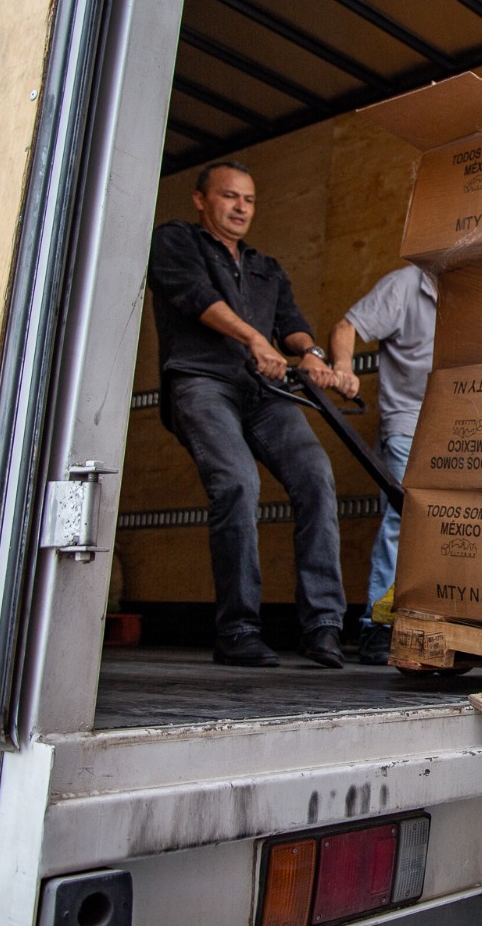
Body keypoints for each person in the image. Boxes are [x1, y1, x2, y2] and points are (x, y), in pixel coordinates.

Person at [147, 160, 348, 669]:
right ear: (200, 200)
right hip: (202, 380)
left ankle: (323, 626)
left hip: (262, 392)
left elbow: (292, 326)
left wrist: (312, 355)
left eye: (249, 200)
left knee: (316, 476)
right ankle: (238, 629)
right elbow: (199, 300)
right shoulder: (175, 242)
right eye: (230, 197)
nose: (240, 208)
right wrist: (254, 338)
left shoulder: (268, 267)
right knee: (237, 483)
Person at [325, 266, 437, 665]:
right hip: (407, 422)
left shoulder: (474, 285)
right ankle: (378, 624)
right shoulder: (406, 285)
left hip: (455, 424)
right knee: (403, 517)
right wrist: (343, 368)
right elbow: (346, 326)